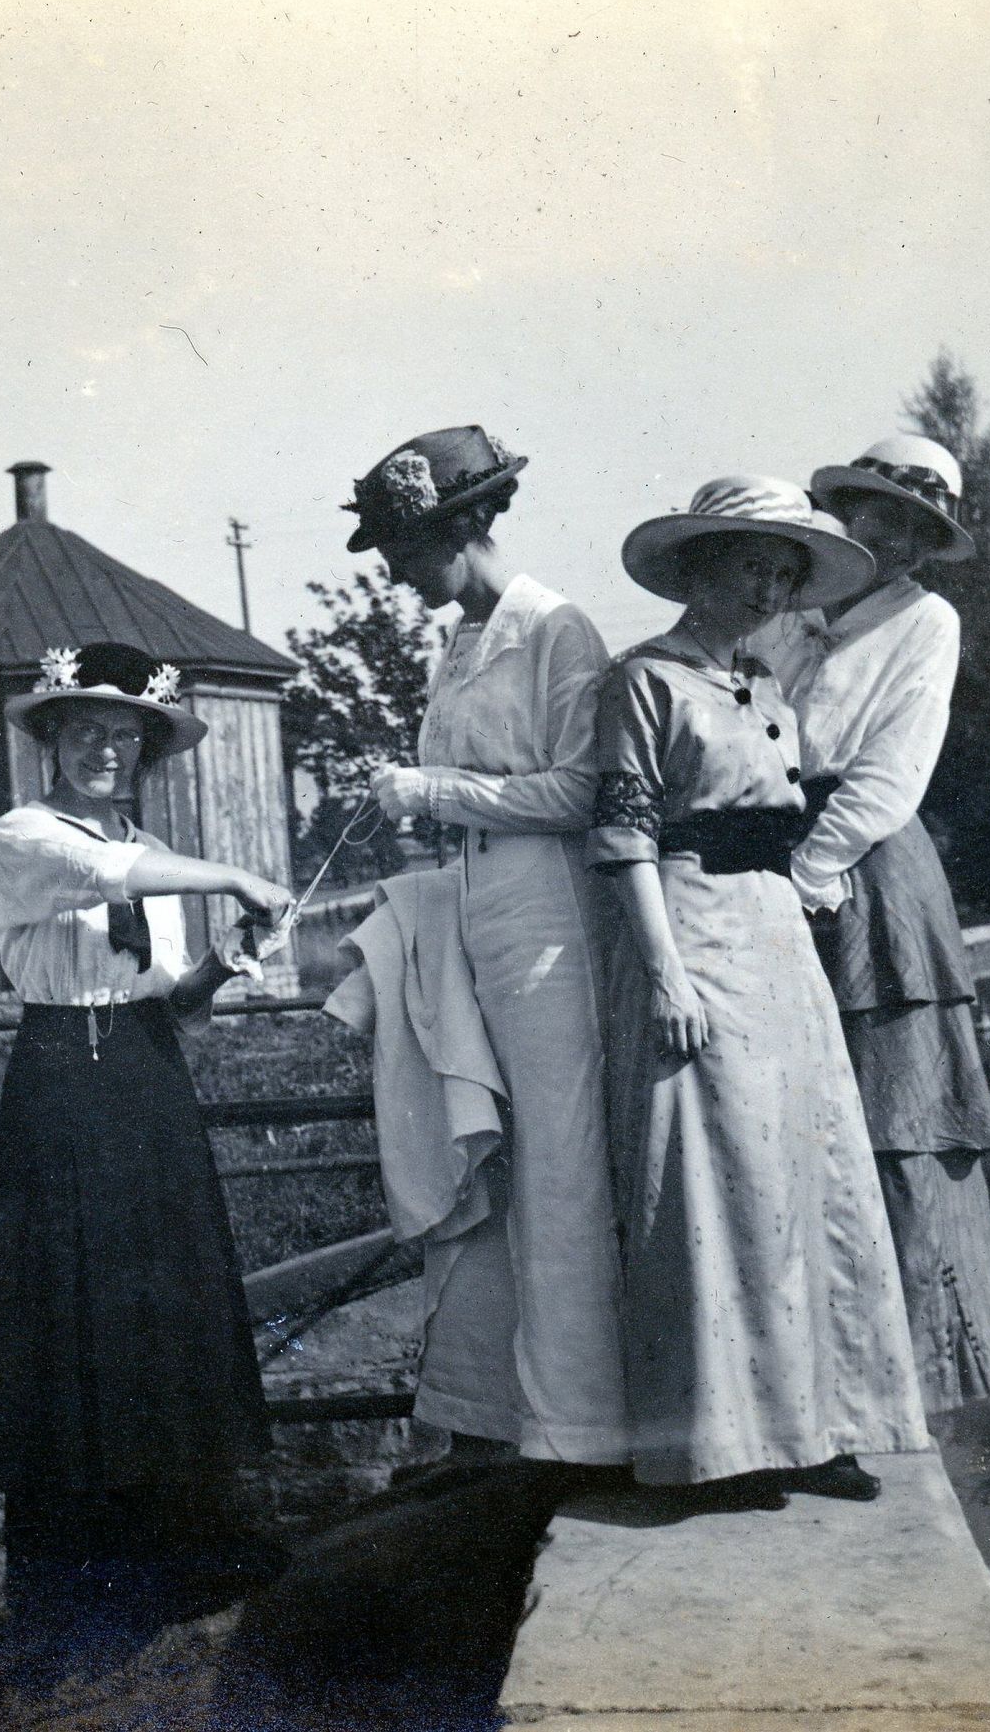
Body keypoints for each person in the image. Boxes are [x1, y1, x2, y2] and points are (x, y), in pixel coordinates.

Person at [591, 475, 930, 1491]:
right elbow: (624, 839)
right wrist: (666, 977)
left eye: (786, 575)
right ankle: (727, 1446)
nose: (770, 590)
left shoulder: (768, 685)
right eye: (752, 566)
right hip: (693, 928)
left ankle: (817, 1429)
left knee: (807, 1174)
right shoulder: (641, 680)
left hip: (778, 933)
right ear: (699, 565)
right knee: (720, 1178)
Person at [0, 641, 297, 1661]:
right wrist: (237, 873)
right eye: (86, 731)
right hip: (66, 1081)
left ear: (146, 749)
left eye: (124, 735)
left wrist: (224, 962)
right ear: (53, 741)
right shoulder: (26, 834)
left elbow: (173, 998)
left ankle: (179, 1566)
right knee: (73, 1312)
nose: (106, 750)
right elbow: (105, 874)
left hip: (149, 1077)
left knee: (165, 1306)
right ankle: (74, 1594)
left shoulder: (151, 848)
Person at [345, 425, 627, 1467]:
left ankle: (582, 1429)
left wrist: (434, 791)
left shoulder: (557, 630)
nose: (393, 571)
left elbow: (580, 791)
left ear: (457, 529)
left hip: (550, 920)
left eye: (401, 549)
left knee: (561, 1162)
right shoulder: (458, 644)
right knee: (499, 1168)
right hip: (478, 909)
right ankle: (501, 1419)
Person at [759, 433, 990, 1414]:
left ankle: (918, 1377)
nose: (897, 541)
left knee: (901, 1124)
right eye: (881, 515)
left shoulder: (924, 621)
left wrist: (804, 874)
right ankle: (813, 1383)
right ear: (844, 514)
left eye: (920, 529)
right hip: (767, 862)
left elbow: (890, 772)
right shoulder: (781, 612)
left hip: (863, 874)